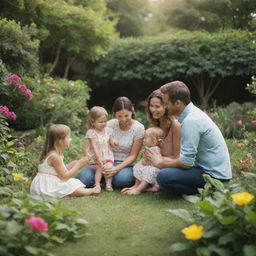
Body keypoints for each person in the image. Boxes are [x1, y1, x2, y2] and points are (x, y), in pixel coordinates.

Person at [145, 81, 232, 195]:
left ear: (177, 103)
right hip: (206, 169)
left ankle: (210, 191)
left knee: (163, 176)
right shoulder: (192, 113)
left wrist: (160, 163)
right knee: (165, 173)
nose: (165, 107)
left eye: (166, 103)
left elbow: (186, 163)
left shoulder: (191, 121)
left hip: (214, 176)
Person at [77, 97, 145, 189]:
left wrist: (115, 169)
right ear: (114, 114)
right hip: (104, 160)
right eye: (119, 116)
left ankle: (105, 179)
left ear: (132, 111)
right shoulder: (109, 124)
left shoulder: (139, 128)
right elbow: (94, 138)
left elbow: (133, 156)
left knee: (121, 180)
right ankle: (102, 177)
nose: (123, 119)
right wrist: (94, 157)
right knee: (84, 179)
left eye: (126, 116)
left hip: (124, 164)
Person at [30, 124, 100, 198]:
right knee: (73, 187)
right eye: (68, 137)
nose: (71, 139)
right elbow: (65, 177)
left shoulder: (54, 153)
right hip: (47, 186)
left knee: (73, 184)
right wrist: (78, 165)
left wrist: (74, 163)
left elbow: (60, 170)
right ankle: (91, 191)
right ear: (60, 141)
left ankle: (66, 194)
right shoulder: (54, 156)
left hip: (46, 182)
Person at [121, 127, 165, 195]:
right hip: (149, 167)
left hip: (154, 171)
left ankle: (139, 189)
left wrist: (144, 160)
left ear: (154, 140)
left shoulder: (154, 149)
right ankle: (136, 186)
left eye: (146, 138)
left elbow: (149, 162)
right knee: (138, 166)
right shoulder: (149, 148)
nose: (143, 140)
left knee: (147, 169)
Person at [85, 106, 116, 192]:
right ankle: (97, 184)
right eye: (100, 122)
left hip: (108, 156)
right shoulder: (92, 133)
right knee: (99, 169)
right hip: (98, 157)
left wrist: (114, 143)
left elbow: (110, 142)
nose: (103, 124)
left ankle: (108, 184)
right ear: (93, 122)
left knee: (108, 168)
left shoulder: (108, 130)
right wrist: (98, 158)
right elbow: (93, 146)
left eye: (105, 121)